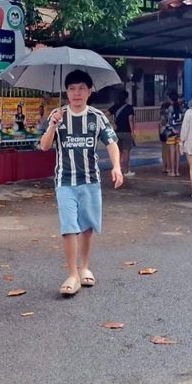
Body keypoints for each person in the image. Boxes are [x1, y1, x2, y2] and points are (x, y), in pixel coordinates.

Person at [39, 69, 123, 297]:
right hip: (64, 181)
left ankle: (85, 267)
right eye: (72, 89)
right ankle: (72, 274)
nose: (77, 93)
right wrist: (53, 125)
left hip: (90, 180)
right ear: (66, 92)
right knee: (69, 227)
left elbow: (112, 143)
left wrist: (116, 167)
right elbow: (44, 146)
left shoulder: (97, 117)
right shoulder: (57, 115)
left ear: (89, 91)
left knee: (87, 227)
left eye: (81, 88)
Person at [108, 89, 136, 177]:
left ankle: (118, 170)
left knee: (118, 152)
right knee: (126, 151)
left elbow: (105, 114)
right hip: (127, 132)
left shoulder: (115, 106)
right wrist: (132, 132)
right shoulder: (129, 107)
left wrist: (113, 123)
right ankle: (126, 171)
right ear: (126, 98)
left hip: (117, 132)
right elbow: (130, 119)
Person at [165, 91, 185, 177]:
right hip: (180, 131)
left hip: (171, 132)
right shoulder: (181, 108)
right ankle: (177, 171)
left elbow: (168, 121)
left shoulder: (170, 108)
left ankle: (172, 171)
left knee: (172, 151)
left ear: (170, 99)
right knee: (177, 152)